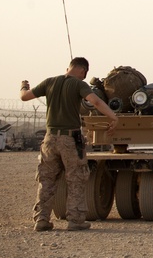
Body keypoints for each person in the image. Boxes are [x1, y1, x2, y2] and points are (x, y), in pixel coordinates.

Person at [21, 56, 118, 232]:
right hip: (70, 139)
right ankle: (76, 220)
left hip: (49, 139)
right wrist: (113, 117)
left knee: (47, 180)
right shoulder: (79, 85)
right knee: (76, 179)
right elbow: (95, 101)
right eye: (84, 74)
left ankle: (42, 219)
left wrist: (24, 87)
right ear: (83, 71)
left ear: (69, 67)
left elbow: (25, 97)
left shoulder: (49, 82)